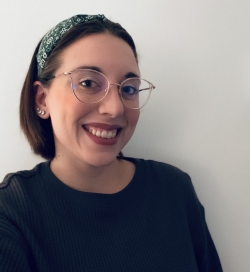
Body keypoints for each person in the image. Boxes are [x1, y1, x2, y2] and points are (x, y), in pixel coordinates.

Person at [0, 14, 223, 271]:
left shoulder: (174, 189)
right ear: (42, 99)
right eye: (88, 83)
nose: (115, 108)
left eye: (128, 89)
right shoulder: (12, 213)